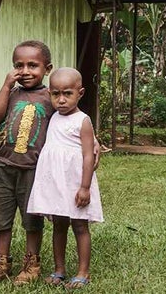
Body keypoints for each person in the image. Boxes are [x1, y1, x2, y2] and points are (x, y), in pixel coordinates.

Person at [0, 41, 56, 285]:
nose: (25, 71)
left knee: (32, 218)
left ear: (47, 68)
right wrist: (6, 85)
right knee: (0, 216)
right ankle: (2, 262)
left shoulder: (52, 97)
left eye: (33, 65)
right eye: (19, 65)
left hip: (34, 168)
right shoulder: (11, 93)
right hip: (3, 164)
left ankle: (32, 263)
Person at [27, 67, 103, 289]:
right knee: (59, 225)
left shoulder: (83, 121)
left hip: (75, 183)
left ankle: (83, 272)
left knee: (80, 226)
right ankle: (59, 269)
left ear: (80, 93)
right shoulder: (53, 117)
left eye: (67, 94)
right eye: (55, 94)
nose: (61, 100)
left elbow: (89, 156)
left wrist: (85, 187)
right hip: (56, 183)